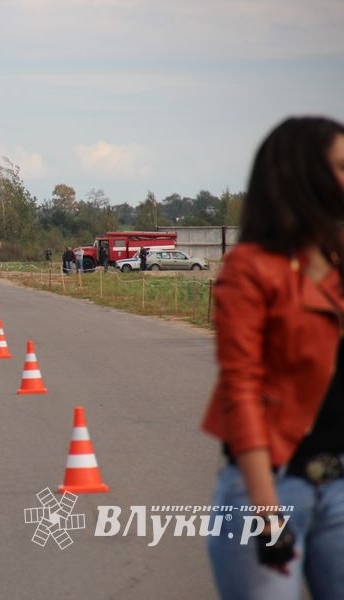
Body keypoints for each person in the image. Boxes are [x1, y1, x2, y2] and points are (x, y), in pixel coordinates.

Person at [202, 116, 344, 599]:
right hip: (273, 489)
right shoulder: (251, 269)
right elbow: (242, 390)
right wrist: (266, 514)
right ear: (306, 177)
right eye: (342, 167)